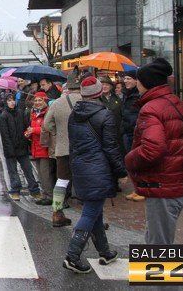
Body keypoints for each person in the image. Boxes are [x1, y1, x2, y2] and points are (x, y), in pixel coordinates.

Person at [125, 58, 183, 245]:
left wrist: (129, 159)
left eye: (138, 80)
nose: (136, 84)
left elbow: (152, 150)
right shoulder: (175, 102)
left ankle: (160, 265)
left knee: (158, 245)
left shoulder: (151, 108)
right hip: (177, 181)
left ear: (146, 83)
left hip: (161, 185)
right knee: (159, 239)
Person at [63, 76, 127, 274]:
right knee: (91, 212)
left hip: (80, 166)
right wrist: (121, 171)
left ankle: (105, 252)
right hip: (98, 168)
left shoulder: (74, 114)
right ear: (99, 93)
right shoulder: (105, 115)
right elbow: (111, 147)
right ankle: (72, 256)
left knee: (95, 211)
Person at [43, 74, 82, 227]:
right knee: (86, 181)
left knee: (62, 181)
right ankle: (91, 217)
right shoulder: (88, 101)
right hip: (84, 149)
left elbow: (47, 124)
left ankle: (57, 212)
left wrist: (58, 133)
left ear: (67, 86)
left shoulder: (57, 103)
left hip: (63, 147)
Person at [0, 95, 41, 201]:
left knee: (28, 170)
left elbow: (26, 127)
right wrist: (9, 150)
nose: (12, 102)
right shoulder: (3, 116)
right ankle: (15, 191)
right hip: (10, 148)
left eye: (13, 100)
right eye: (9, 100)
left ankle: (34, 190)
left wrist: (26, 136)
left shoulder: (21, 113)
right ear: (6, 102)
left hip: (22, 146)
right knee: (13, 171)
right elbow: (5, 135)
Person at [25, 91, 52, 204]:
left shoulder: (48, 112)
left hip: (45, 147)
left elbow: (49, 128)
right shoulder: (33, 113)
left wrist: (34, 130)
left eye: (40, 100)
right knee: (40, 174)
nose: (37, 102)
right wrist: (28, 133)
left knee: (46, 174)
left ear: (45, 101)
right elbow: (33, 128)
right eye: (35, 100)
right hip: (36, 147)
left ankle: (49, 196)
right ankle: (44, 194)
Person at [120, 70, 143, 202]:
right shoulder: (126, 94)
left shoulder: (138, 95)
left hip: (135, 133)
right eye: (125, 78)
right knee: (131, 163)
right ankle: (137, 189)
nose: (126, 81)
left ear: (136, 80)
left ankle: (142, 189)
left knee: (138, 163)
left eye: (129, 78)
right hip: (127, 132)